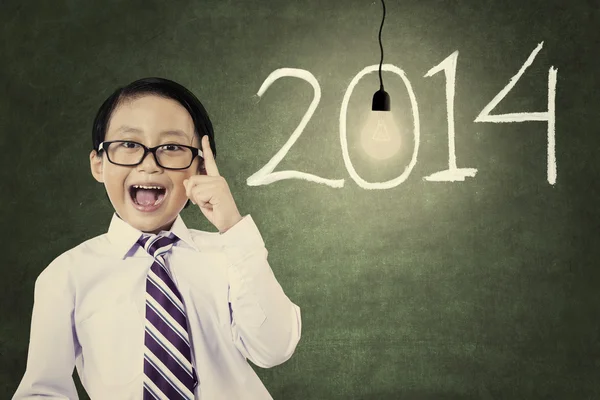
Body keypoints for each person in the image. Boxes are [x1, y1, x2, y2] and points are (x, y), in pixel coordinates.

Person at [13, 77, 302, 399]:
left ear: (200, 166)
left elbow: (274, 349)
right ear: (98, 164)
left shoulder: (229, 253)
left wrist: (233, 228)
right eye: (129, 145)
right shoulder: (66, 275)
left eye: (172, 148)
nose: (149, 164)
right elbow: (43, 391)